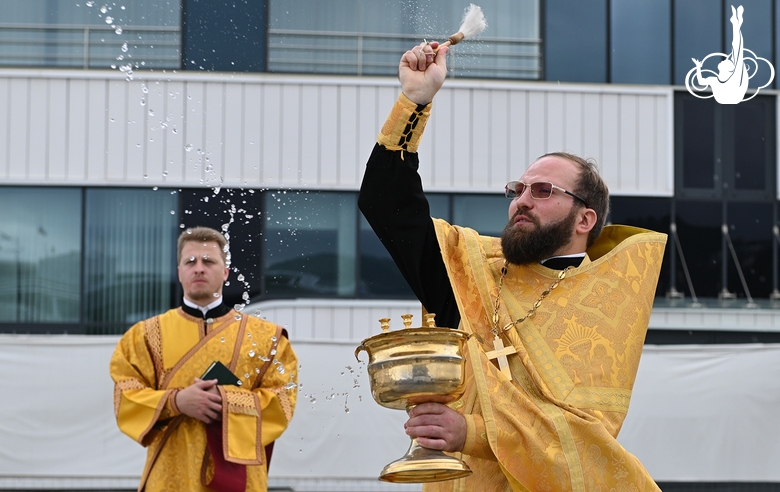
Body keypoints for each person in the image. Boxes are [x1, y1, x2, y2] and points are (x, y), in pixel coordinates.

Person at [358, 41, 667, 491]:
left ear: (585, 218)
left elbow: (586, 443)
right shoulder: (468, 269)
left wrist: (475, 434)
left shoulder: (607, 303)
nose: (521, 201)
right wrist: (415, 100)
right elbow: (385, 203)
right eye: (517, 190)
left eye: (542, 192)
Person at [110, 226, 298, 492]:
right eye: (190, 261)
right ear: (179, 272)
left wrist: (227, 401)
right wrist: (177, 401)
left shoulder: (267, 338)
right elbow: (125, 397)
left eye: (208, 261)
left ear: (225, 272)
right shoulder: (143, 336)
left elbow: (283, 401)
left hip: (237, 478)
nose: (199, 268)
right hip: (168, 476)